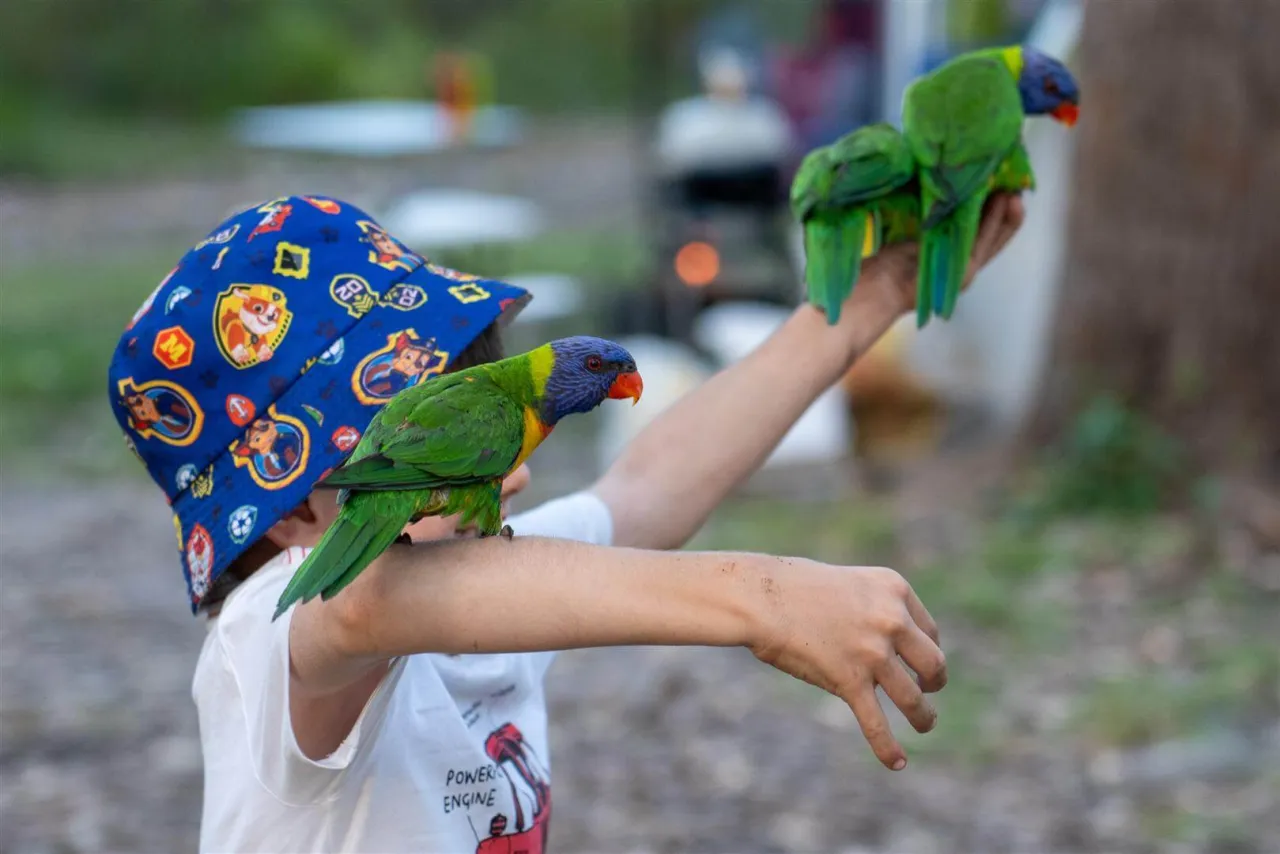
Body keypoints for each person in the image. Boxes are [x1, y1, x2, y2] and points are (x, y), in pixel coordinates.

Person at [108, 192, 1023, 853]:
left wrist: (869, 300)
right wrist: (761, 597)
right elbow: (361, 612)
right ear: (297, 509)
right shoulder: (267, 641)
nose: (515, 474)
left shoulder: (508, 590)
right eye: (460, 443)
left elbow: (654, 483)